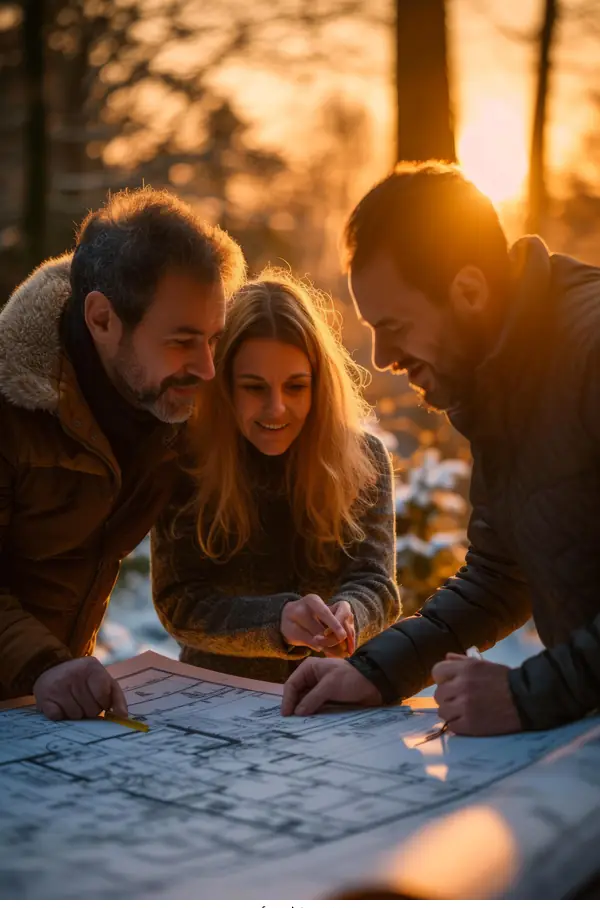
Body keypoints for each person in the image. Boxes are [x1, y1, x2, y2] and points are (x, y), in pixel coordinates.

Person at [282, 160, 600, 734]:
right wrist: (377, 671)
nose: (381, 357)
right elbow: (499, 576)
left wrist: (530, 696)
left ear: (470, 290)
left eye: (395, 326)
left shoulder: (589, 349)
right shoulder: (503, 375)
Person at [0, 187, 245, 719]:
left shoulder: (171, 404)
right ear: (102, 319)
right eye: (182, 341)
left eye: (213, 338)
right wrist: (43, 666)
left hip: (51, 708)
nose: (206, 367)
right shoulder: (10, 407)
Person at [151, 274, 400, 682]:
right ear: (224, 386)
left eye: (296, 387)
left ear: (320, 387)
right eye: (254, 387)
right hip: (217, 701)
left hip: (335, 696)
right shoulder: (185, 464)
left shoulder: (364, 459)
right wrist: (276, 621)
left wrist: (351, 613)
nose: (276, 409)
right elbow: (179, 603)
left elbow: (376, 584)